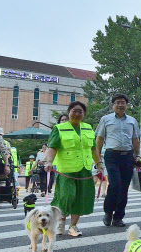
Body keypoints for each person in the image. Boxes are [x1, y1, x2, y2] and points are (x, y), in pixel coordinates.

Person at [43, 101, 101, 237]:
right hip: (66, 169)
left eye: (80, 111)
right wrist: (49, 162)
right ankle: (61, 221)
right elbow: (52, 147)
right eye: (74, 111)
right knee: (66, 196)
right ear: (69, 112)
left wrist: (99, 163)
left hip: (84, 168)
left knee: (81, 198)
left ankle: (73, 226)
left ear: (84, 114)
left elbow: (93, 148)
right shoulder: (59, 128)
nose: (77, 114)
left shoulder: (88, 128)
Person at [95, 93, 141, 227]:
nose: (121, 105)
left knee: (124, 188)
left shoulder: (132, 121)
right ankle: (108, 212)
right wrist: (98, 159)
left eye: (123, 102)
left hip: (127, 156)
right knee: (115, 185)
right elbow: (99, 139)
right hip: (111, 156)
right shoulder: (105, 119)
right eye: (118, 102)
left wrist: (137, 156)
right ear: (112, 105)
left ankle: (118, 217)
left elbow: (135, 139)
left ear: (126, 105)